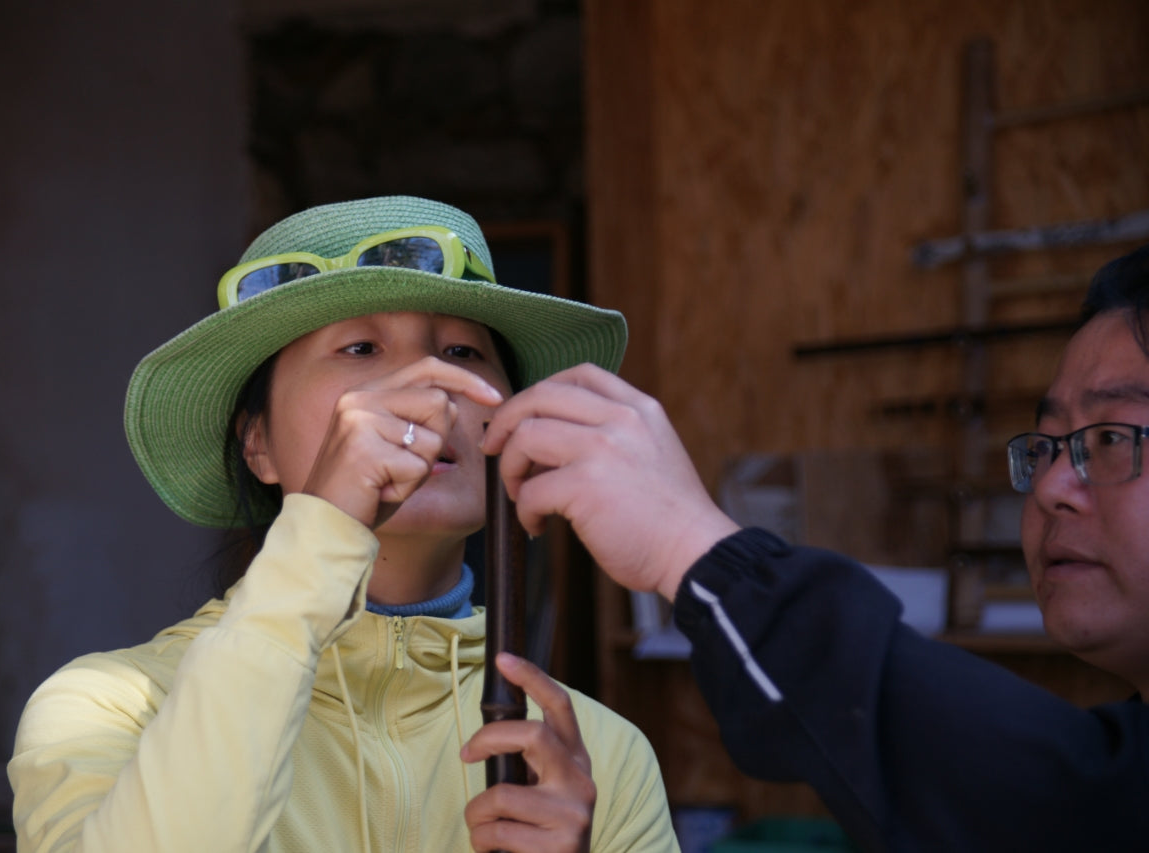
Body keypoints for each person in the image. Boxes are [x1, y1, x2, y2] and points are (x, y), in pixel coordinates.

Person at [7, 196, 679, 853]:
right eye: (360, 348)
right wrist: (322, 535)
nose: (427, 382)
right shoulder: (109, 707)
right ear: (257, 444)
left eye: (464, 353)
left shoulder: (597, 755)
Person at [482, 243, 1149, 851]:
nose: (1054, 484)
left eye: (1113, 438)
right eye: (1047, 444)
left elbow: (1058, 807)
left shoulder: (609, 748)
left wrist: (691, 546)